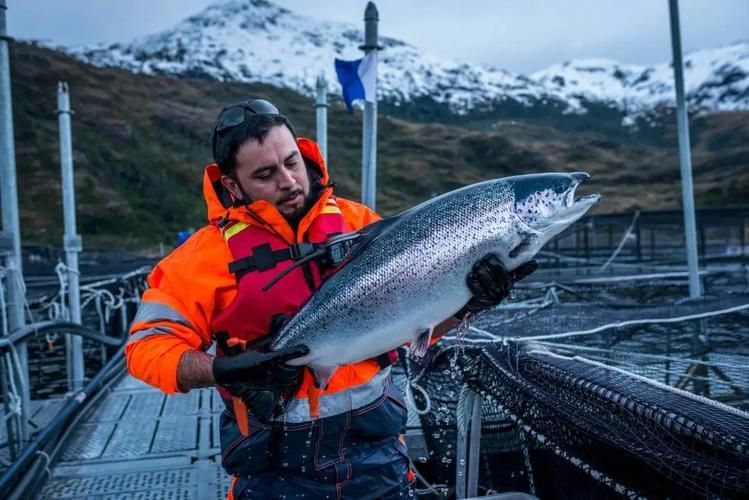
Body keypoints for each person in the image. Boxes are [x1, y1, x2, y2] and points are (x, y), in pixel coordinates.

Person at [126, 98, 536, 499]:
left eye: (291, 162)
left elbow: (413, 324)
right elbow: (145, 349)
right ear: (232, 185)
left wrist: (470, 303)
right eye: (265, 174)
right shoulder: (200, 259)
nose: (288, 181)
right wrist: (226, 370)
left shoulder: (362, 226)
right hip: (272, 477)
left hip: (378, 464)